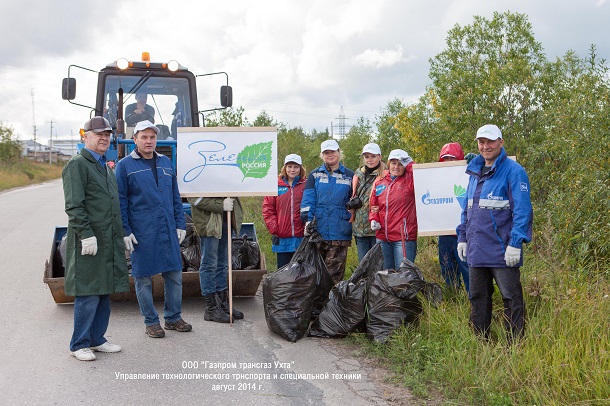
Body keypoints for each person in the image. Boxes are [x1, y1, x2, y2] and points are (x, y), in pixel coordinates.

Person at [115, 120, 191, 338]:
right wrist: (125, 230)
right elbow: (120, 201)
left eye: (152, 137)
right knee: (143, 278)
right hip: (142, 230)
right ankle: (151, 321)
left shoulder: (166, 162)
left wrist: (180, 223)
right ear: (135, 139)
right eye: (144, 137)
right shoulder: (125, 166)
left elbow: (175, 197)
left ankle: (173, 318)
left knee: (175, 275)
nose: (149, 141)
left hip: (167, 227)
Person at [457, 124, 533, 343]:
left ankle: (515, 344)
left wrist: (516, 243)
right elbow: (467, 208)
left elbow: (522, 211)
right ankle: (481, 342)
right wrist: (462, 237)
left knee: (511, 298)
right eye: (481, 142)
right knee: (478, 297)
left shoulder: (513, 171)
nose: (485, 146)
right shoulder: (474, 172)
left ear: (501, 142)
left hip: (502, 250)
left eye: (490, 141)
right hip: (476, 249)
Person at [62, 116, 129, 361]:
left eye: (107, 134)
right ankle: (78, 343)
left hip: (107, 238)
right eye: (98, 134)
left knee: (103, 288)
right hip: (89, 240)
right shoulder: (77, 164)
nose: (104, 138)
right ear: (85, 137)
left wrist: (122, 233)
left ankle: (97, 338)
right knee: (88, 291)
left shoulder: (104, 165)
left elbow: (112, 205)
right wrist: (86, 235)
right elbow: (74, 206)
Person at [300, 139, 354, 284]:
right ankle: (316, 305)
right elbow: (308, 200)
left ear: (339, 152)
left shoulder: (350, 175)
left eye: (332, 152)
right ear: (322, 155)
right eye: (326, 152)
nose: (330, 155)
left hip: (340, 231)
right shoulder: (314, 175)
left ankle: (332, 305)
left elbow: (356, 200)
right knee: (316, 273)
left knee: (334, 275)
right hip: (319, 230)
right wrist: (307, 220)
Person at [187, 196, 244, 323]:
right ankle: (211, 308)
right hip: (209, 223)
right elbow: (193, 198)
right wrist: (220, 205)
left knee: (222, 264)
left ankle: (222, 303)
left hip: (226, 219)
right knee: (209, 264)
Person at [369, 149, 418, 270]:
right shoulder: (380, 182)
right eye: (393, 163)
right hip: (382, 237)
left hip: (403, 238)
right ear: (389, 163)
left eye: (400, 164)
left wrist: (410, 163)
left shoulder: (410, 181)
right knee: (386, 275)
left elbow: (420, 173)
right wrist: (373, 219)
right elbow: (373, 206)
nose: (396, 167)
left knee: (403, 275)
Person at [262, 154, 307, 269]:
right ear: (285, 168)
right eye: (289, 166)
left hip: (301, 237)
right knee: (283, 271)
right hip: (282, 238)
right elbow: (268, 209)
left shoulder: (306, 185)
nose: (292, 170)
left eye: (296, 167)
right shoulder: (275, 185)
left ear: (300, 168)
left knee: (300, 272)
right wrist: (274, 228)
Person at [437, 142, 470, 293]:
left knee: (467, 269)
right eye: (446, 159)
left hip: (464, 233)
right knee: (447, 268)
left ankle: (473, 299)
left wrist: (476, 161)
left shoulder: (470, 174)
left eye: (452, 158)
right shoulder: (436, 177)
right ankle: (453, 298)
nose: (449, 162)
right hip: (444, 232)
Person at [351, 143, 386, 262]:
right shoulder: (357, 175)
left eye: (373, 156)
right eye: (366, 157)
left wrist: (380, 208)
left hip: (378, 227)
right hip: (360, 227)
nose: (369, 160)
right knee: (364, 263)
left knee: (378, 263)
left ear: (380, 157)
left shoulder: (386, 175)